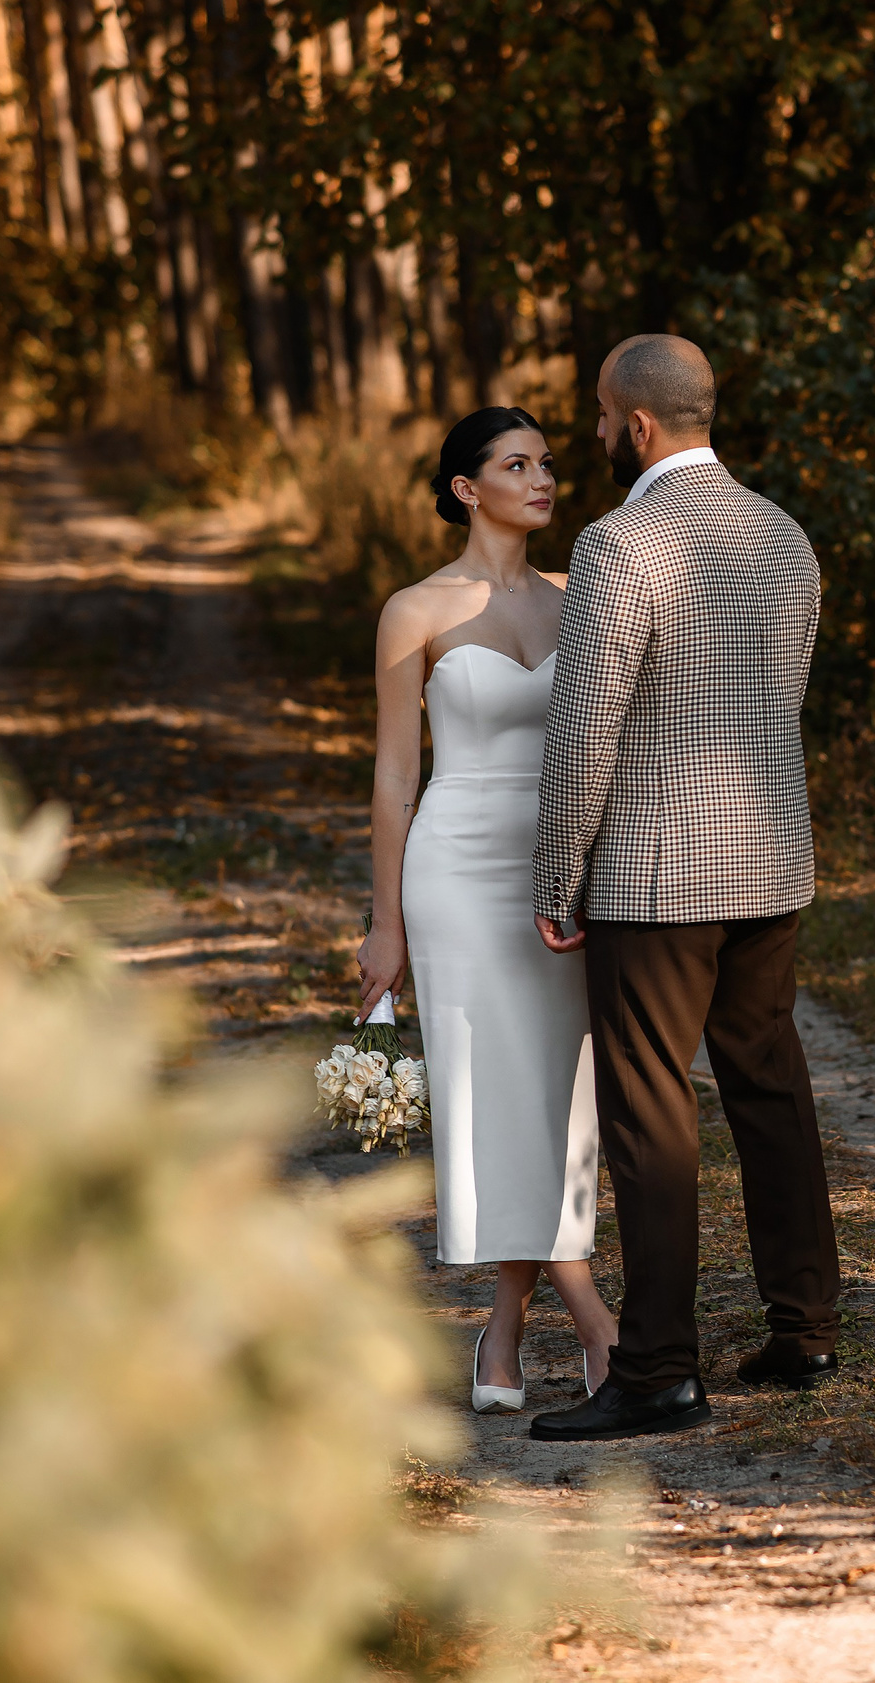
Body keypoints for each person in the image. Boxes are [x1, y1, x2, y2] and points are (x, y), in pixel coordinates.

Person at [525, 334, 842, 1444]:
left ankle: (657, 1367)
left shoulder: (618, 545)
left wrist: (557, 870)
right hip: (770, 858)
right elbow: (782, 694)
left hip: (657, 875)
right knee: (767, 1083)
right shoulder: (784, 534)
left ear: (640, 424)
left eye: (604, 421)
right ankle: (804, 1327)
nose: (597, 438)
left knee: (651, 1107)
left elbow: (585, 729)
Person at [356, 406, 618, 1415]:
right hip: (455, 865)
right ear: (468, 489)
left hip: (557, 868)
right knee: (486, 1091)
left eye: (547, 462)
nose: (543, 478)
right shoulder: (413, 611)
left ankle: (501, 1334)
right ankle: (596, 1322)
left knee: (559, 1091)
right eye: (517, 465)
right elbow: (392, 781)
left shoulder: (580, 595)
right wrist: (388, 924)